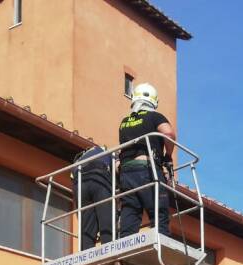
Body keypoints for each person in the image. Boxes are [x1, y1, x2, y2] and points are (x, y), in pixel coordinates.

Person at [117, 82, 175, 236]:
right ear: (154, 101)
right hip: (147, 169)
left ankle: (124, 252)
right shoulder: (155, 116)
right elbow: (169, 134)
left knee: (130, 212)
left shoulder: (124, 122)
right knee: (158, 211)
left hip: (126, 172)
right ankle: (161, 243)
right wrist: (168, 156)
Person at [72, 144, 113, 249]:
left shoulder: (78, 160)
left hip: (78, 182)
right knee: (106, 218)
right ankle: (110, 252)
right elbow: (118, 167)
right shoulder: (106, 152)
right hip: (98, 175)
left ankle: (85, 255)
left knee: (86, 227)